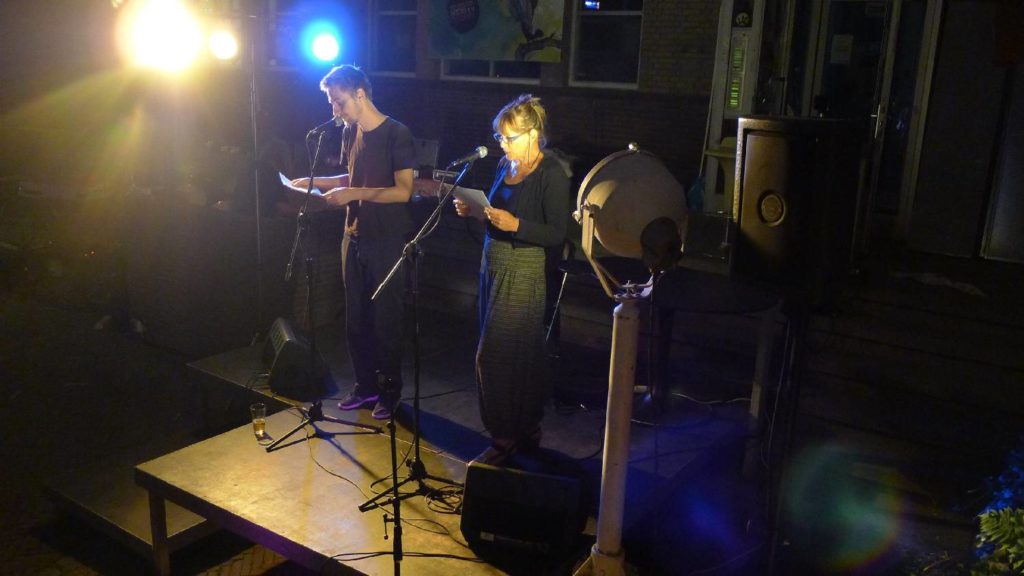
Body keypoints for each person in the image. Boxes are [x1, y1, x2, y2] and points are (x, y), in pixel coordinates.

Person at [290, 65, 415, 421]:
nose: (335, 110)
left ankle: (389, 392)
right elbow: (352, 175)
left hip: (385, 240)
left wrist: (354, 193)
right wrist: (317, 181)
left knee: (385, 320)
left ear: (360, 95)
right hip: (353, 236)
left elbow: (403, 191)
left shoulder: (396, 134)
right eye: (332, 103)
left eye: (339, 102)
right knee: (356, 320)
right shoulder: (350, 131)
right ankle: (366, 386)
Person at [454, 94, 570, 465]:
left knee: (496, 355)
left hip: (523, 270)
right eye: (500, 137)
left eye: (509, 137)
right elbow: (495, 214)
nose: (502, 144)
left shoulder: (551, 174)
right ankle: (525, 430)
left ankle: (504, 437)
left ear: (533, 134)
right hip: (493, 264)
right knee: (515, 354)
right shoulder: (506, 164)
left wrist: (517, 224)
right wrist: (475, 212)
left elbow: (557, 232)